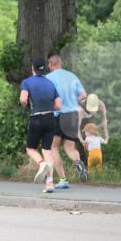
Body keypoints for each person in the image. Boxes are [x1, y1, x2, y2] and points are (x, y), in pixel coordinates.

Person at [46, 53, 88, 186]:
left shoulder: (48, 78)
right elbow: (83, 95)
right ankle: (78, 162)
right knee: (70, 148)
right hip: (73, 116)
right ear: (60, 63)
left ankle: (63, 180)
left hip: (58, 115)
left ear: (50, 64)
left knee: (54, 147)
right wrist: (75, 101)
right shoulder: (72, 76)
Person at [20, 58, 61, 193]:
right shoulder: (50, 83)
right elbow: (58, 105)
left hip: (36, 118)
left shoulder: (27, 82)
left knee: (30, 148)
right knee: (47, 150)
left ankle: (41, 163)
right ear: (45, 69)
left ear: (33, 69)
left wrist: (26, 106)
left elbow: (23, 99)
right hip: (50, 119)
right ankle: (49, 184)